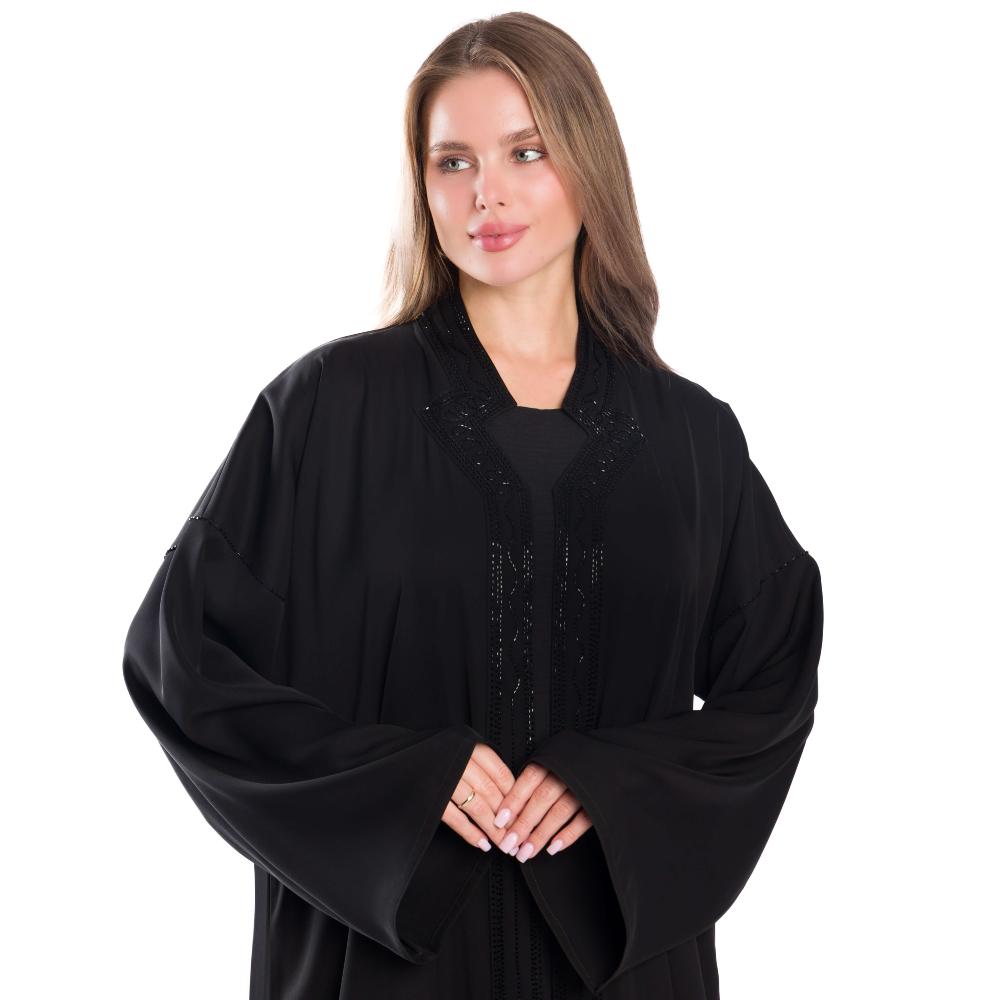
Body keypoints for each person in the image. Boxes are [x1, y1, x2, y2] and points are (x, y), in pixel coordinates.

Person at [122, 12, 824, 1000]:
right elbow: (181, 661)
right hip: (380, 969)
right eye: (452, 162)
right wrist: (405, 782)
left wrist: (615, 785)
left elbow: (774, 681)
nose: (485, 193)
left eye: (525, 152)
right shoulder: (328, 409)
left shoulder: (689, 438)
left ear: (589, 160)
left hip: (618, 971)